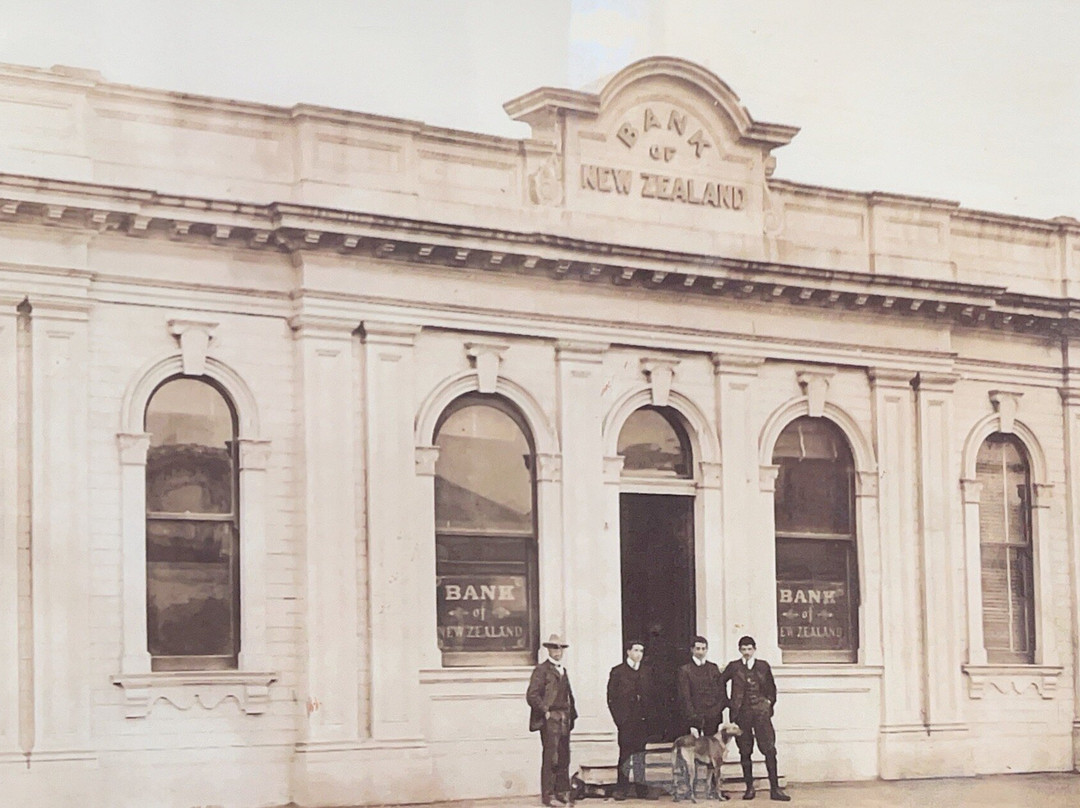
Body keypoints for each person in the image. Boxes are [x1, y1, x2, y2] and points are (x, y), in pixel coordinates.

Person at [721, 636, 790, 801]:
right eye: (743, 649)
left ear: (754, 649)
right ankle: (749, 788)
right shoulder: (734, 667)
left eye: (749, 649)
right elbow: (719, 682)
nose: (746, 652)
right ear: (739, 650)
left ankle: (775, 789)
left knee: (769, 749)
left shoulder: (763, 666)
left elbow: (772, 689)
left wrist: (767, 703)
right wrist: (729, 703)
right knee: (745, 751)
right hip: (742, 714)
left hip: (761, 714)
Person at [527, 633, 578, 807]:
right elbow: (532, 695)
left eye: (560, 648)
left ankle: (562, 792)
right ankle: (548, 796)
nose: (558, 651)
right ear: (548, 649)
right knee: (551, 757)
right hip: (551, 718)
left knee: (564, 756)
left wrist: (572, 715)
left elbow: (569, 695)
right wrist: (545, 711)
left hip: (564, 717)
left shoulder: (563, 670)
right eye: (554, 648)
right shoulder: (541, 670)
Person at [606, 639, 652, 800]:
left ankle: (641, 789)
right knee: (625, 754)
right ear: (628, 652)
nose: (638, 654)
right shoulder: (618, 672)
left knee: (640, 754)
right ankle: (622, 788)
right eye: (636, 650)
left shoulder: (646, 671)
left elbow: (652, 696)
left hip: (642, 720)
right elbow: (611, 698)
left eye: (641, 651)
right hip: (626, 721)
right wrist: (620, 719)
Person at [676, 635, 728, 738]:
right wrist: (692, 717)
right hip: (696, 715)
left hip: (713, 715)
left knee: (712, 748)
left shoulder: (713, 668)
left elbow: (721, 691)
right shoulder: (685, 670)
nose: (700, 652)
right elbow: (685, 696)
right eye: (698, 649)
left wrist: (717, 710)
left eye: (703, 649)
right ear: (692, 650)